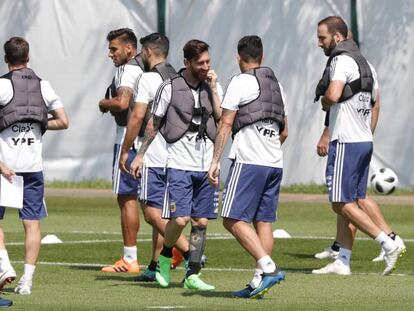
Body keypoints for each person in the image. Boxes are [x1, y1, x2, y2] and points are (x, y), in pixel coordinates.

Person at [312, 16, 402, 276]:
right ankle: (343, 261)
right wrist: (368, 133)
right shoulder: (369, 66)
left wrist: (326, 103)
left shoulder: (341, 60)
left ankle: (387, 241)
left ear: (338, 38)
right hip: (364, 139)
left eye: (322, 38)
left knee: (340, 202)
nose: (319, 43)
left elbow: (333, 94)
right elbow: (376, 103)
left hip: (347, 141)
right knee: (351, 200)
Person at [130, 39, 222, 290]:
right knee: (180, 219)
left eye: (208, 62)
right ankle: (165, 255)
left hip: (206, 166)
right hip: (179, 164)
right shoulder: (169, 87)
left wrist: (214, 90)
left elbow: (221, 119)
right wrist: (140, 155)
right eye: (200, 63)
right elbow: (154, 123)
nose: (205, 67)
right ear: (187, 62)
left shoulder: (213, 86)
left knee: (200, 223)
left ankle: (192, 274)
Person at [208, 35, 287, 299]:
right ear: (262, 57)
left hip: (249, 161)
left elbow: (225, 122)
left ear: (238, 57)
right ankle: (258, 281)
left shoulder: (240, 81)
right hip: (274, 162)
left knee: (231, 218)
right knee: (263, 221)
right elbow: (284, 131)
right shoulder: (278, 86)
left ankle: (268, 268)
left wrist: (215, 160)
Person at [0, 36, 69, 295]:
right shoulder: (44, 85)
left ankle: (4, 266)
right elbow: (63, 121)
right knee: (32, 224)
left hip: (6, 168)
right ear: (28, 57)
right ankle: (26, 282)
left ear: (6, 59)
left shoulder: (3, 86)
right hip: (32, 166)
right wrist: (38, 123)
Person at [119, 32, 190, 281]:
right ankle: (156, 265)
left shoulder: (148, 78)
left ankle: (189, 250)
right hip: (179, 152)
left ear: (147, 52)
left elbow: (138, 117)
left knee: (151, 211)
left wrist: (127, 149)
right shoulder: (181, 77)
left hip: (154, 151)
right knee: (164, 211)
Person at [314, 125, 406, 262]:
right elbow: (374, 105)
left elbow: (335, 103)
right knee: (348, 197)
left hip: (348, 141)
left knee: (345, 200)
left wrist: (325, 135)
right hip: (361, 139)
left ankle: (390, 241)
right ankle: (339, 249)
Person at [98, 28, 144, 273]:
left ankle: (129, 258)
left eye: (114, 48)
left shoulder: (128, 69)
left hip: (129, 140)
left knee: (126, 198)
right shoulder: (148, 68)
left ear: (129, 48)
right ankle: (167, 254)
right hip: (151, 142)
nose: (110, 54)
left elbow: (122, 103)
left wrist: (103, 103)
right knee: (152, 203)